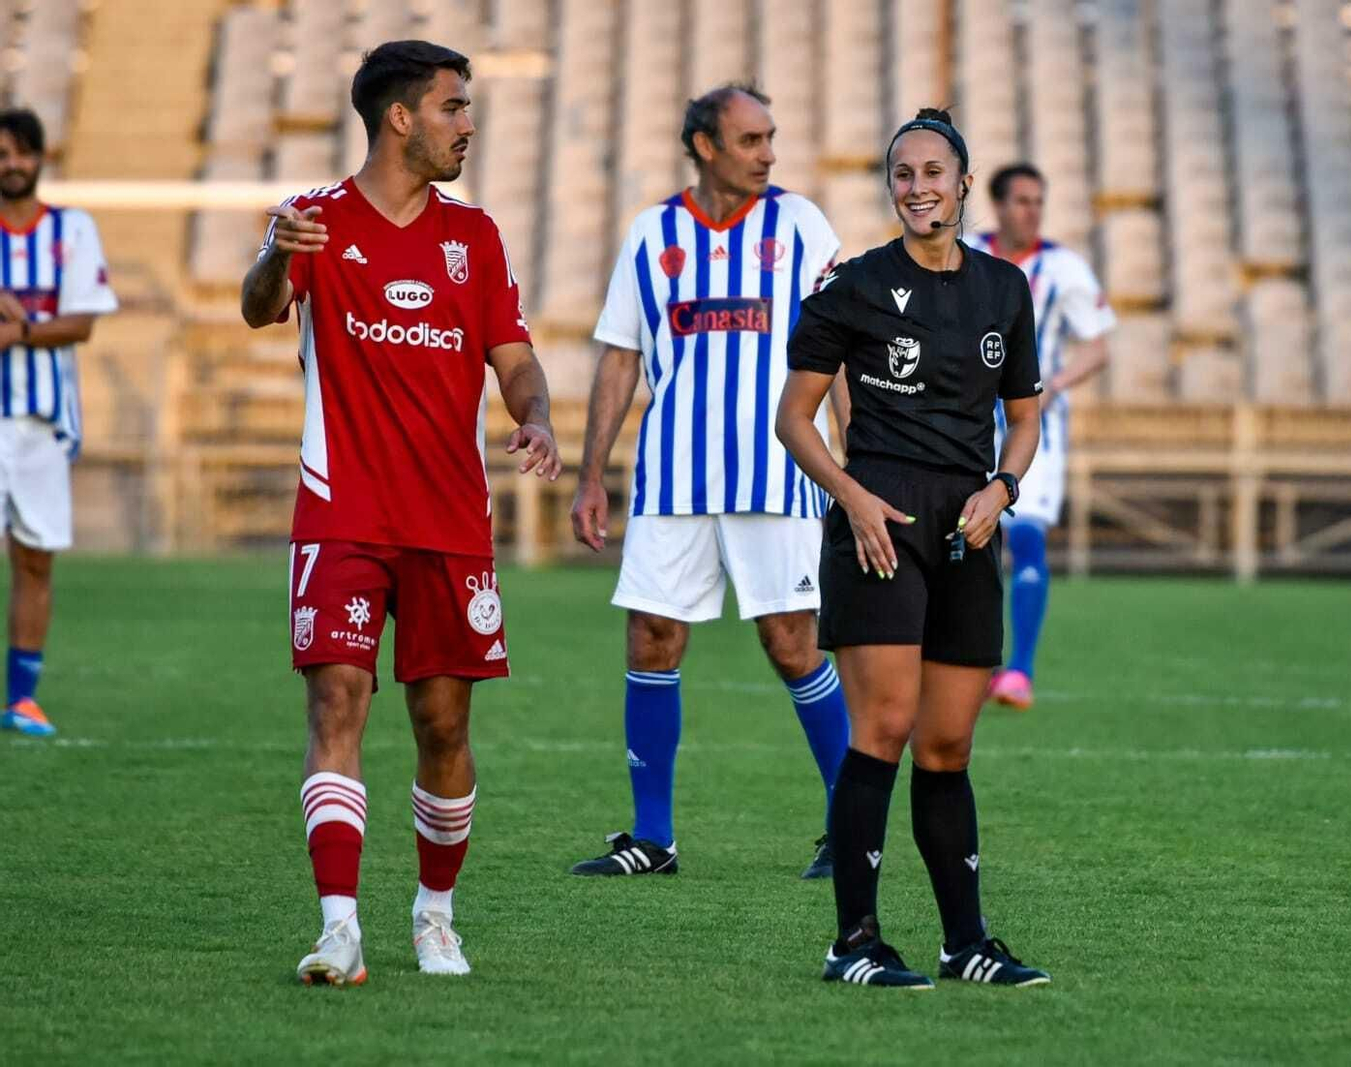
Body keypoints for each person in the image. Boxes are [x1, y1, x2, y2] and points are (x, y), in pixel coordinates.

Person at [239, 40, 561, 985]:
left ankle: (434, 915)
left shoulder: (477, 236)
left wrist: (536, 417)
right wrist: (271, 254)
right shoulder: (315, 224)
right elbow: (261, 310)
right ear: (401, 117)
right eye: (455, 107)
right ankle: (338, 925)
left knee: (442, 723)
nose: (469, 124)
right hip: (339, 511)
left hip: (450, 520)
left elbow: (515, 357)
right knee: (337, 700)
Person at [777, 108, 1051, 988]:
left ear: (964, 181)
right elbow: (794, 417)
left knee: (948, 746)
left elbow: (1025, 417)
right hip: (881, 521)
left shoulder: (1005, 289)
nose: (919, 187)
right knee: (885, 728)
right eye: (903, 174)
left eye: (934, 171)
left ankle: (964, 942)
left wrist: (1000, 489)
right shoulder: (854, 284)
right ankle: (852, 940)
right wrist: (852, 496)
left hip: (968, 524)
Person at [570, 84, 851, 880]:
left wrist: (854, 467)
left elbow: (839, 352)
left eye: (771, 138)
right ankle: (651, 836)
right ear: (705, 146)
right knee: (652, 639)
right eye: (751, 139)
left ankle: (849, 821)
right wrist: (593, 475)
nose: (768, 154)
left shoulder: (800, 225)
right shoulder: (652, 232)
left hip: (779, 472)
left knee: (793, 641)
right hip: (673, 477)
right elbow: (621, 354)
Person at [967, 163, 1116, 710]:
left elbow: (1097, 346)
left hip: (1037, 429)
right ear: (999, 205)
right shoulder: (966, 254)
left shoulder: (1064, 268)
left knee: (1025, 536)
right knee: (966, 544)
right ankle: (971, 664)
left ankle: (1019, 672)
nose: (1031, 211)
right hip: (967, 424)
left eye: (1038, 201)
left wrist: (1053, 385)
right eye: (1021, 201)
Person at [0, 109, 117, 739]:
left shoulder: (71, 230)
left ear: (42, 158)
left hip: (43, 422)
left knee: (35, 560)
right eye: (1, 155)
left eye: (22, 153)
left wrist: (18, 330)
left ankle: (22, 699)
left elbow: (83, 321)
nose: (12, 165)